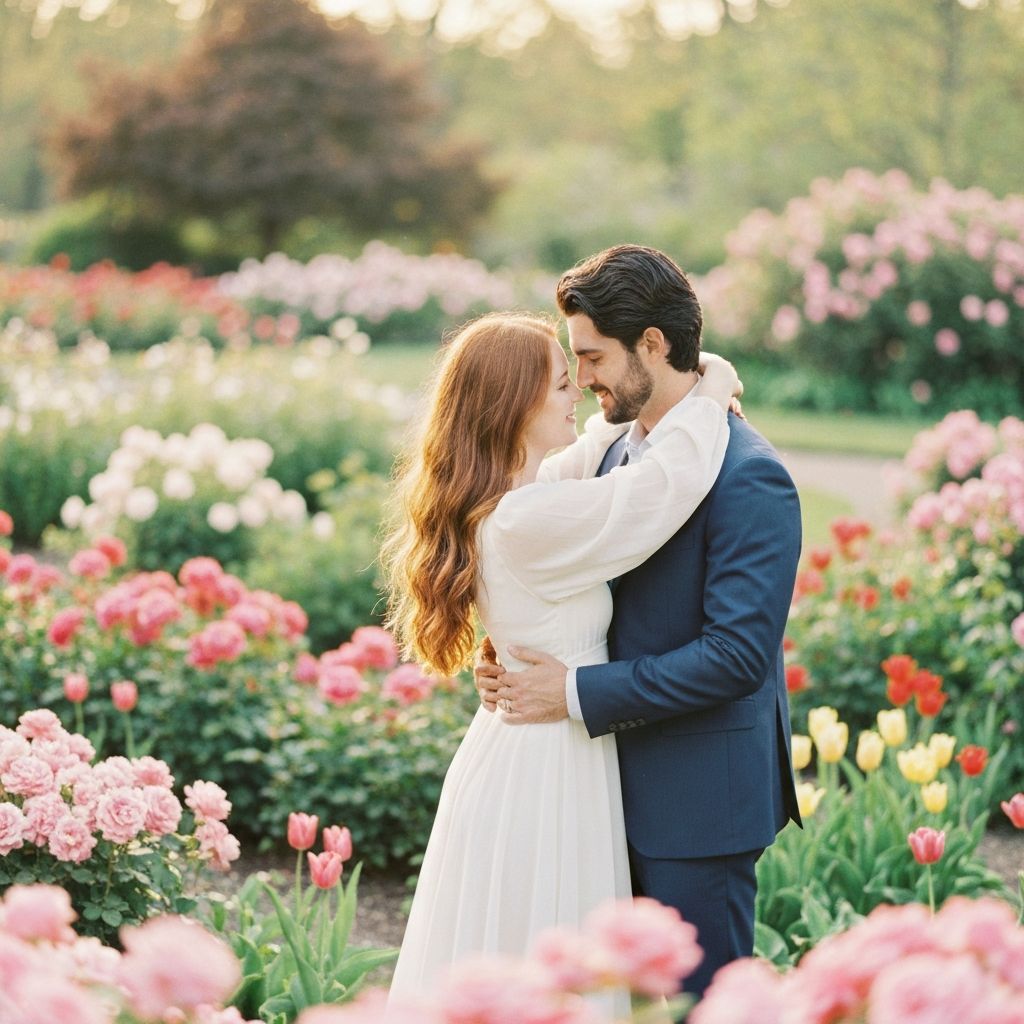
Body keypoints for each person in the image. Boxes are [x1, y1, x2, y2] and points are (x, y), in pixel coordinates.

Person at [381, 309, 740, 1004]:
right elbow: (660, 487)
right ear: (512, 406)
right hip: (542, 765)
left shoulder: (519, 497)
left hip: (533, 745)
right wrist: (712, 381)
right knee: (544, 959)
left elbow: (601, 447)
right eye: (557, 384)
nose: (576, 391)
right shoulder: (524, 520)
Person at [477, 245, 803, 1001]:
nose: (581, 378)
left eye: (591, 357)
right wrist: (512, 651)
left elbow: (735, 657)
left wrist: (575, 693)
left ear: (652, 345)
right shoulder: (610, 454)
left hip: (696, 804)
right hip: (589, 792)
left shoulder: (749, 474)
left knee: (698, 1009)